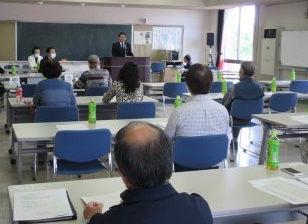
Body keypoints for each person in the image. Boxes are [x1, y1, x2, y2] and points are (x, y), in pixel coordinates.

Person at [83, 121, 213, 224]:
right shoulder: (199, 207)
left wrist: (91, 218)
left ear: (123, 175)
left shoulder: (108, 220)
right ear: (168, 162)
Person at [164, 64, 229, 140]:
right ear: (211, 84)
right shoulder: (223, 111)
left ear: (187, 85)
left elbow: (165, 141)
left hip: (186, 152)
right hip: (216, 152)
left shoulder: (179, 113)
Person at [33, 59, 76, 164]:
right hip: (66, 122)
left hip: (45, 123)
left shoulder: (41, 85)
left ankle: (41, 157)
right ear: (60, 71)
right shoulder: (67, 85)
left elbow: (35, 102)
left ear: (44, 72)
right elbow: (73, 103)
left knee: (41, 124)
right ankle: (66, 153)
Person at [222, 61, 264, 150]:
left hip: (233, 119)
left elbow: (224, 103)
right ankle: (235, 140)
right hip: (250, 119)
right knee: (239, 110)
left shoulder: (234, 88)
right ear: (254, 73)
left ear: (241, 71)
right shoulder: (259, 88)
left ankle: (231, 140)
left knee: (233, 111)